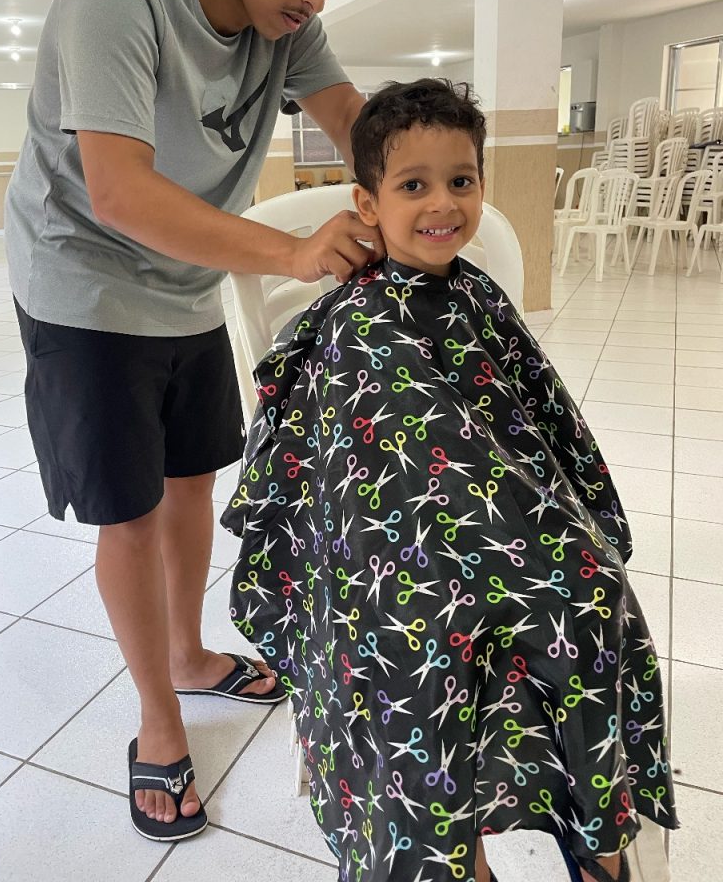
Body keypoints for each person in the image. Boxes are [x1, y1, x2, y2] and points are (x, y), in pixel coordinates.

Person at [4, 0, 382, 842]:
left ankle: (188, 653)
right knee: (128, 514)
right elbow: (119, 191)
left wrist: (422, 186)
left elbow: (355, 123)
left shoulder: (287, 28)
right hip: (84, 285)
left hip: (184, 284)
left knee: (191, 482)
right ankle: (159, 714)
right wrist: (294, 249)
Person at [221, 79, 678, 882]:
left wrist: (550, 528)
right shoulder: (355, 323)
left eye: (461, 180)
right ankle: (455, 856)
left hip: (501, 524)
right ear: (367, 203)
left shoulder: (477, 295)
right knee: (420, 653)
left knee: (590, 599)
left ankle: (598, 838)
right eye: (413, 185)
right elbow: (349, 480)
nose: (442, 204)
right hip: (388, 564)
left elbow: (536, 420)